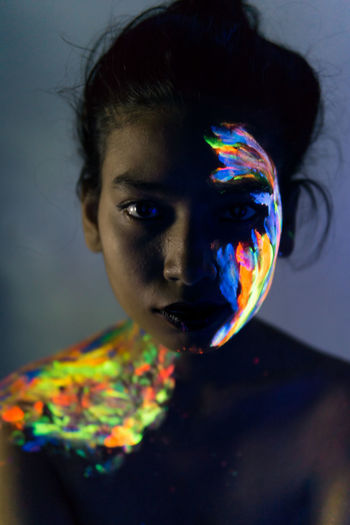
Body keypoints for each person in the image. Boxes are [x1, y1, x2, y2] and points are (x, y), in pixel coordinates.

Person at [0, 0, 349, 524]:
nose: (187, 267)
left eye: (236, 212)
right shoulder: (34, 423)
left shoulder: (339, 421)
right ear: (92, 214)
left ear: (287, 221)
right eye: (145, 210)